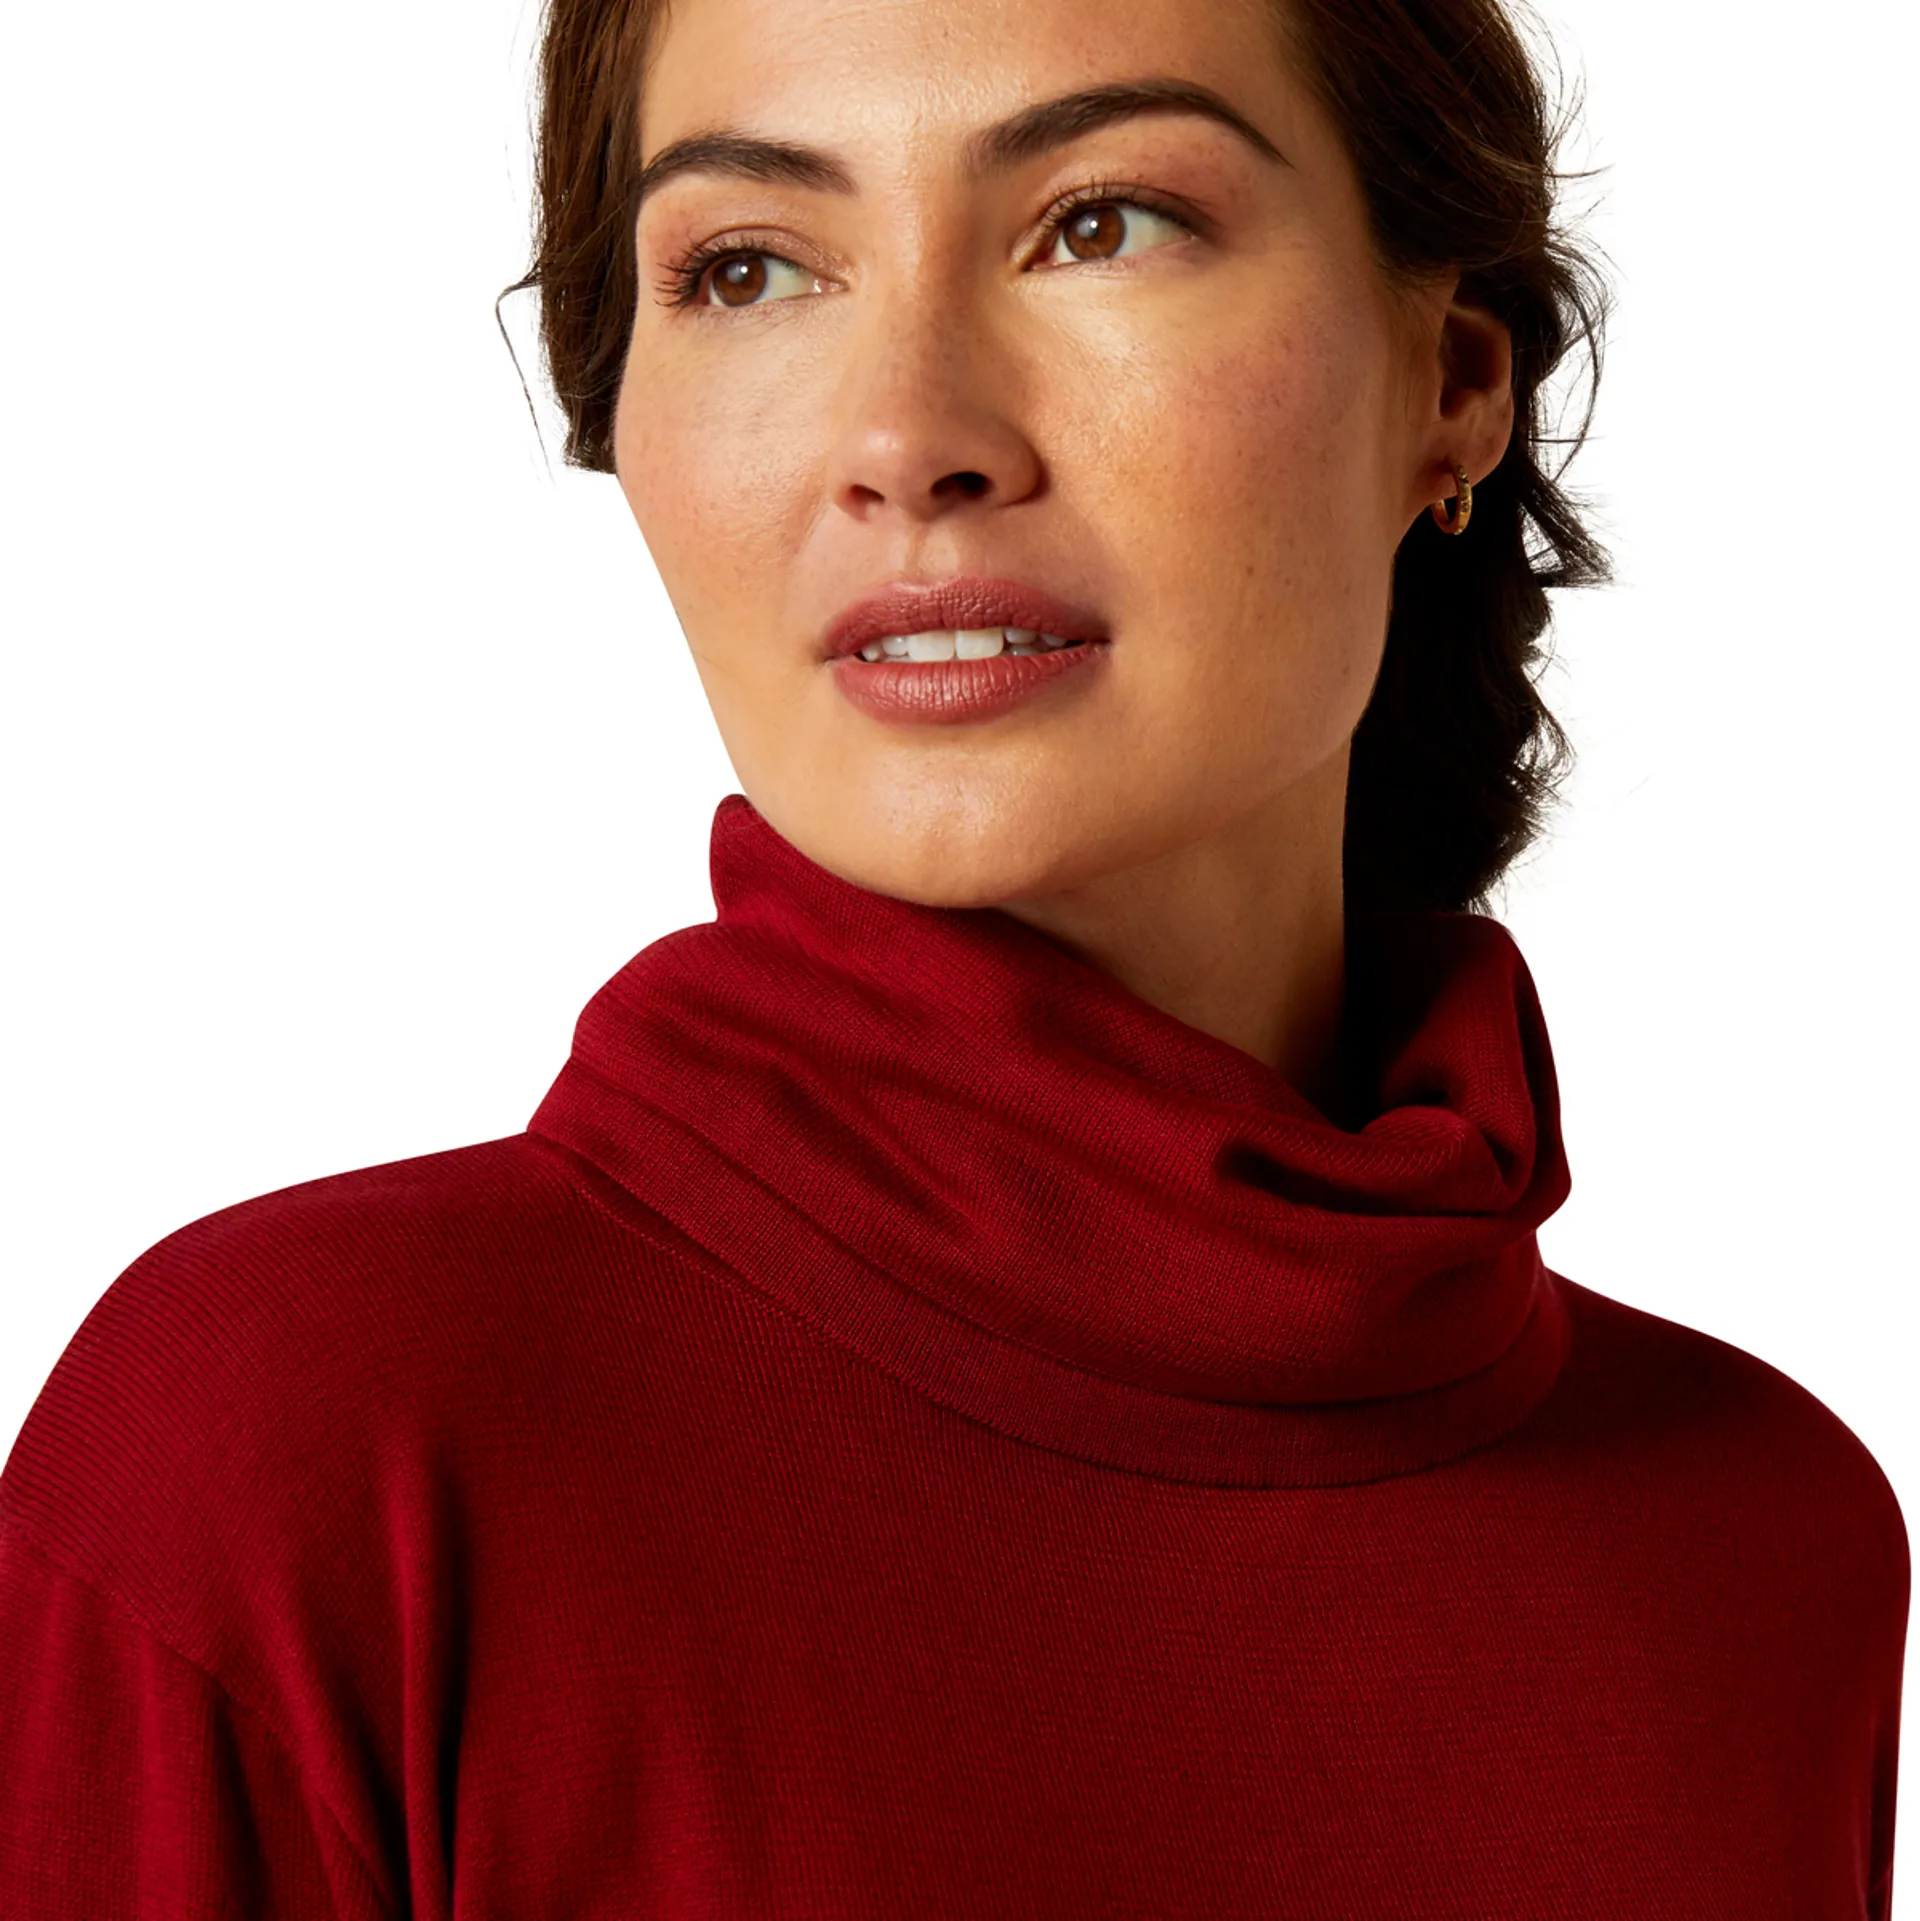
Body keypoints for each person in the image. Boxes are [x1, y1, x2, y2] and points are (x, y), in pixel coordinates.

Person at [0, 0, 1906, 1910]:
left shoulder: (1766, 1549)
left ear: (1454, 381)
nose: (909, 440)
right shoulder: (291, 1458)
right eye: (748, 267)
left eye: (1104, 225)